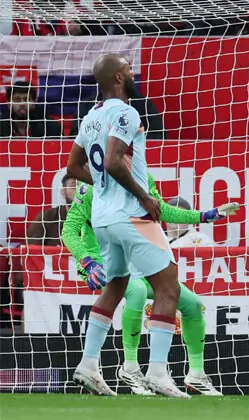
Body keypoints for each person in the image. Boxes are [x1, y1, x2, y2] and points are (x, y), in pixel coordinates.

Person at [65, 53, 185, 397]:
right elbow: (116, 161)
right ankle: (158, 372)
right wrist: (143, 197)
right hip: (131, 214)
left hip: (103, 218)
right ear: (119, 77)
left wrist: (103, 187)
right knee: (168, 287)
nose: (134, 73)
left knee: (115, 286)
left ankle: (88, 364)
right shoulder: (126, 112)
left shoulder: (90, 118)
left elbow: (73, 167)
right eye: (129, 69)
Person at [62, 174, 238, 395]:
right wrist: (86, 261)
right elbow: (69, 230)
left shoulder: (143, 177)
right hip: (102, 260)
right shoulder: (90, 187)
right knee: (135, 290)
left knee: (192, 304)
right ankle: (131, 367)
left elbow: (162, 210)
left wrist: (205, 216)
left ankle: (196, 373)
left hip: (141, 258)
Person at [26, 176, 77, 246]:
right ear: (63, 193)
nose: (80, 191)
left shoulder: (95, 218)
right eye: (74, 186)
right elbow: (31, 252)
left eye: (84, 186)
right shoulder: (46, 218)